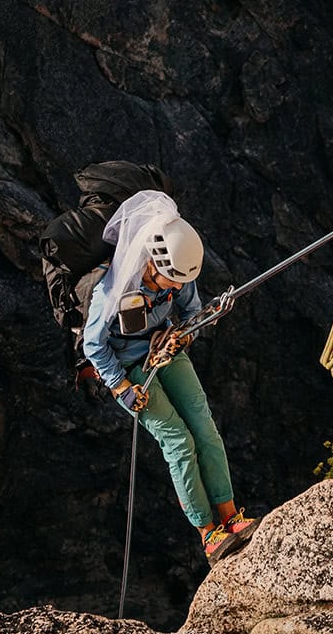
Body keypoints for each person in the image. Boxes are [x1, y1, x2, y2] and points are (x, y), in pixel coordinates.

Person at [81, 189, 257, 567]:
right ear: (151, 262)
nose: (177, 287)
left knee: (205, 429)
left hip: (166, 352)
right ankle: (207, 534)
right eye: (171, 280)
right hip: (129, 368)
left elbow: (190, 310)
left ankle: (230, 517)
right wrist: (121, 387)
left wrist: (185, 333)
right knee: (178, 442)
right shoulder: (111, 291)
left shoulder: (179, 271)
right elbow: (94, 346)